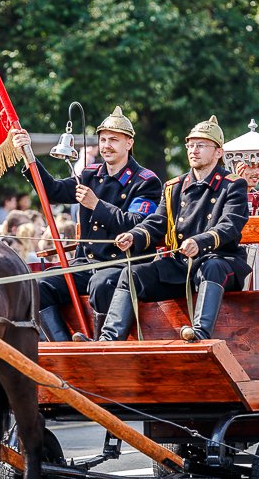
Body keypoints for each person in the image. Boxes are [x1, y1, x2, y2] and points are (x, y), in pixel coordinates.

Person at [12, 106, 162, 340]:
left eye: (114, 140)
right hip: (85, 263)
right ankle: (63, 349)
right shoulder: (90, 174)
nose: (107, 146)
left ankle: (101, 347)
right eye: (103, 140)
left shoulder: (146, 181)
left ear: (129, 144)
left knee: (102, 283)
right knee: (38, 285)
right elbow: (52, 191)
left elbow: (137, 224)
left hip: (124, 264)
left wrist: (96, 205)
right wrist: (28, 154)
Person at [104, 115, 251, 342]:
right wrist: (133, 236)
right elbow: (157, 222)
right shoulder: (174, 187)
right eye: (190, 145)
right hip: (181, 264)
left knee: (211, 267)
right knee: (131, 274)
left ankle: (199, 335)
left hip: (222, 260)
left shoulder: (233, 185)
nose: (193, 150)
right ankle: (109, 340)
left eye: (201, 145)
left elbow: (230, 224)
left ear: (218, 153)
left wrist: (200, 242)